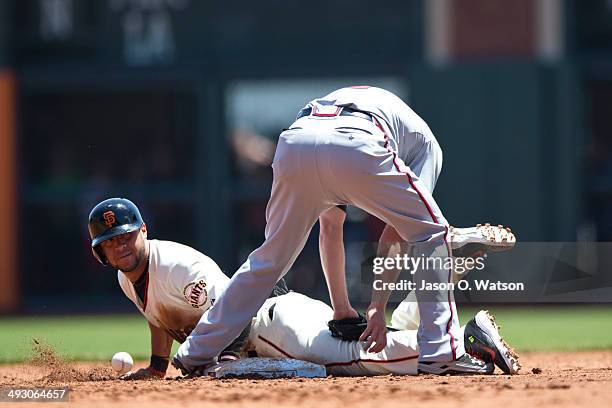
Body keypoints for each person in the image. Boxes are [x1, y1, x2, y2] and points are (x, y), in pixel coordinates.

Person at [172, 86, 516, 375]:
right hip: (360, 139)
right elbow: (399, 233)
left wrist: (342, 308)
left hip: (297, 140)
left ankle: (195, 352)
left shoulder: (358, 101)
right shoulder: (427, 146)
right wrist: (376, 308)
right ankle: (442, 351)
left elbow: (330, 228)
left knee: (269, 261)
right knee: (431, 234)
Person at [87, 197, 520, 378]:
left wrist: (228, 360)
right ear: (100, 253)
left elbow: (231, 312)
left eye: (127, 236)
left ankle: (463, 344)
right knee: (366, 337)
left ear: (144, 231)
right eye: (111, 242)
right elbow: (159, 317)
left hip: (270, 329)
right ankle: (449, 265)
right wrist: (159, 365)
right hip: (281, 317)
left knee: (356, 358)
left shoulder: (177, 263)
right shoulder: (130, 278)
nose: (121, 246)